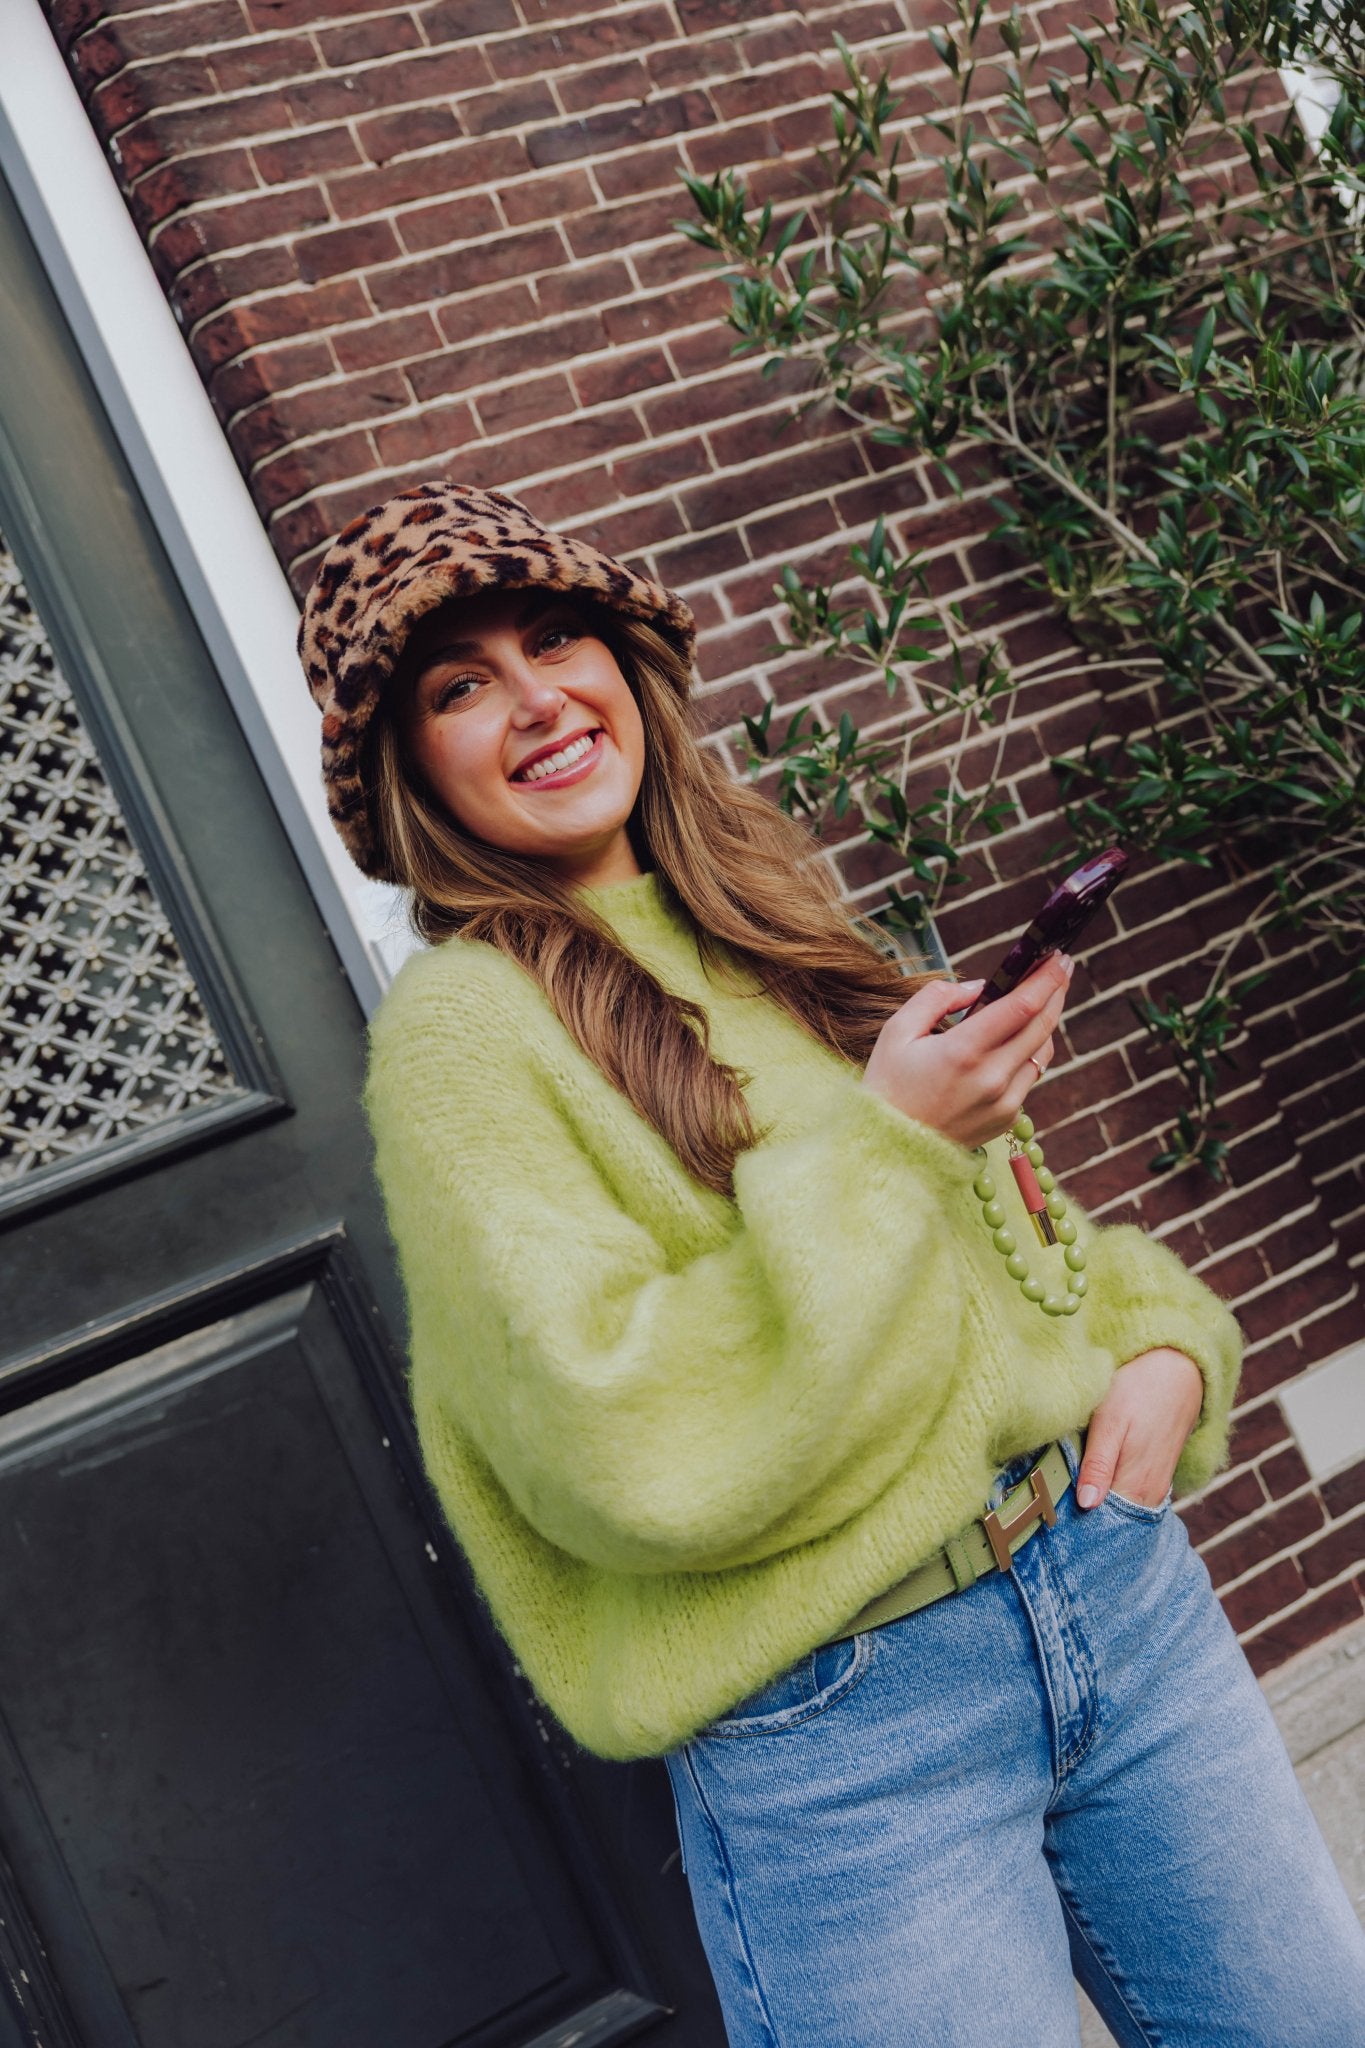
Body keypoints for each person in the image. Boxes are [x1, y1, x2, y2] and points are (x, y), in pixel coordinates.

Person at [299, 481, 1365, 2047]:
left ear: (623, 661)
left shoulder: (766, 915)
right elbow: (612, 1439)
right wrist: (884, 1142)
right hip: (852, 1726)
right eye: (462, 686)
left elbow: (1016, 1235)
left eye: (556, 638)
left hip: (1115, 1591)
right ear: (408, 772)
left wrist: (1159, 1347)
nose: (536, 701)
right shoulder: (462, 1036)